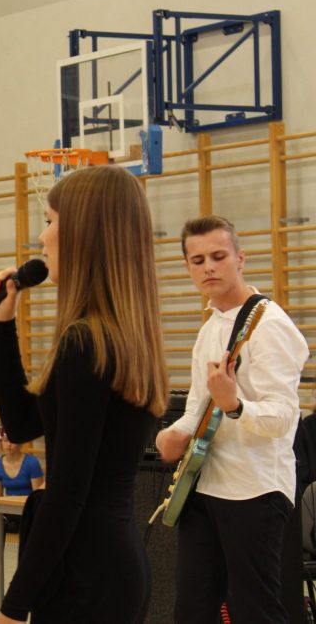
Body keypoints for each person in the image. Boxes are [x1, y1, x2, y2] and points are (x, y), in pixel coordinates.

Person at [0, 165, 169, 623]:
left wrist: (13, 606)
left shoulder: (86, 342)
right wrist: (2, 326)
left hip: (87, 575)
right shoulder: (121, 336)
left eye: (49, 221)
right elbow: (23, 425)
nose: (42, 238)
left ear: (83, 232)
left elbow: (67, 495)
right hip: (106, 564)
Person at [155, 215, 307, 623]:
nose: (208, 267)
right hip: (204, 485)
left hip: (255, 489)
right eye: (198, 260)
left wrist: (236, 406)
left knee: (255, 610)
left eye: (218, 256)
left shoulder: (270, 325)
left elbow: (283, 417)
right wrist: (174, 434)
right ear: (187, 267)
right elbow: (197, 409)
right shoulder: (210, 328)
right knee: (191, 609)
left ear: (240, 259)